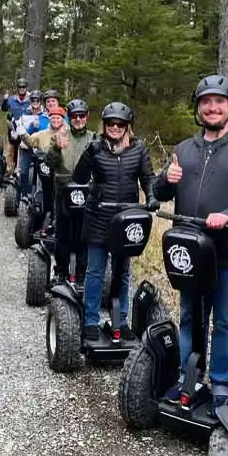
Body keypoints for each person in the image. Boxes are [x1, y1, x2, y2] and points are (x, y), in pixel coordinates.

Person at [153, 74, 228, 417]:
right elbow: (159, 193)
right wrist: (164, 180)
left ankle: (222, 383)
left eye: (219, 101)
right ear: (198, 108)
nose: (212, 107)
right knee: (190, 316)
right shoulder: (185, 149)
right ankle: (190, 377)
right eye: (206, 102)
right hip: (190, 251)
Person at [71, 102, 159, 342]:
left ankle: (119, 319)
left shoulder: (138, 148)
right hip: (99, 215)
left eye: (120, 124)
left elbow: (147, 177)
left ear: (127, 126)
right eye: (111, 123)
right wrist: (88, 155)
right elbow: (78, 178)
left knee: (122, 273)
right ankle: (90, 321)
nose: (115, 127)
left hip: (127, 220)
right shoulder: (96, 148)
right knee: (96, 271)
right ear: (104, 125)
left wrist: (151, 196)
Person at [46, 99, 95, 284]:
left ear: (87, 117)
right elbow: (49, 164)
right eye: (75, 116)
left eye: (82, 116)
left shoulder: (93, 138)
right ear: (70, 117)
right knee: (62, 233)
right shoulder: (59, 135)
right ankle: (60, 271)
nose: (78, 119)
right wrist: (57, 147)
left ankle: (82, 273)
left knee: (84, 235)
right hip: (63, 190)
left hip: (86, 193)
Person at [21, 105, 69, 231]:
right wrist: (23, 134)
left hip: (63, 172)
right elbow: (30, 142)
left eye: (58, 118)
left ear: (63, 119)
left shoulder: (68, 134)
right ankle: (43, 218)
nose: (56, 120)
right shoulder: (42, 134)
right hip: (44, 170)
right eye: (53, 118)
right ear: (49, 119)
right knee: (43, 193)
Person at [14, 91, 50, 201]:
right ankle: (23, 194)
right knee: (24, 170)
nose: (35, 102)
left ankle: (41, 195)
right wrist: (31, 127)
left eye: (37, 100)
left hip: (40, 147)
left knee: (43, 172)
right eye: (33, 100)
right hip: (27, 145)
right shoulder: (25, 113)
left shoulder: (45, 115)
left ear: (41, 101)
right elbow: (22, 130)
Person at [2, 78, 31, 172]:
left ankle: (19, 170)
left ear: (26, 88)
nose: (22, 89)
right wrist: (5, 101)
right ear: (17, 88)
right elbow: (4, 109)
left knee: (21, 148)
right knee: (11, 148)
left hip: (25, 128)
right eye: (20, 87)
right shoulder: (12, 99)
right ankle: (9, 169)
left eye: (23, 87)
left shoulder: (31, 99)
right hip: (13, 127)